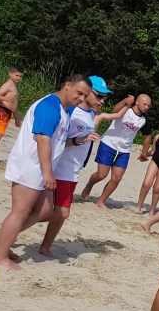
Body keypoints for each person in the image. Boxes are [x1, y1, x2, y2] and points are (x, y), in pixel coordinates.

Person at [0, 74, 92, 270]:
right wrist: (48, 173)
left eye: (85, 96)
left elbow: (57, 141)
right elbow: (43, 140)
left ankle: (1, 240)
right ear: (67, 85)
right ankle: (0, 256)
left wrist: (77, 141)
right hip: (30, 166)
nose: (81, 98)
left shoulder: (64, 109)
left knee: (45, 210)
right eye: (79, 93)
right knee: (20, 211)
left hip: (40, 167)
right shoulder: (49, 106)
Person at [39, 76, 132, 258]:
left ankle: (44, 247)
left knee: (59, 213)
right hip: (60, 169)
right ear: (88, 92)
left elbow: (115, 115)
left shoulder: (91, 115)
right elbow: (54, 140)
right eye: (99, 96)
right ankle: (12, 231)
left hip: (73, 171)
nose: (102, 101)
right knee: (55, 212)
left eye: (105, 97)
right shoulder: (71, 111)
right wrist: (78, 140)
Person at [80, 93, 151, 208]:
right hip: (109, 143)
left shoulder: (144, 120)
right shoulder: (126, 110)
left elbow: (148, 136)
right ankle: (90, 184)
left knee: (117, 178)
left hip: (124, 150)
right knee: (101, 175)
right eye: (145, 104)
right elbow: (115, 110)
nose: (147, 107)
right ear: (137, 102)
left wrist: (144, 153)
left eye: (149, 105)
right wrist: (125, 101)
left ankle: (101, 201)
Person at [0, 66, 23, 168]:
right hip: (1, 111)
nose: (18, 78)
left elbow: (14, 105)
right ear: (10, 73)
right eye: (16, 75)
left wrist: (16, 117)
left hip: (6, 112)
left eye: (20, 76)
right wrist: (5, 99)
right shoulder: (8, 85)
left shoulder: (13, 86)